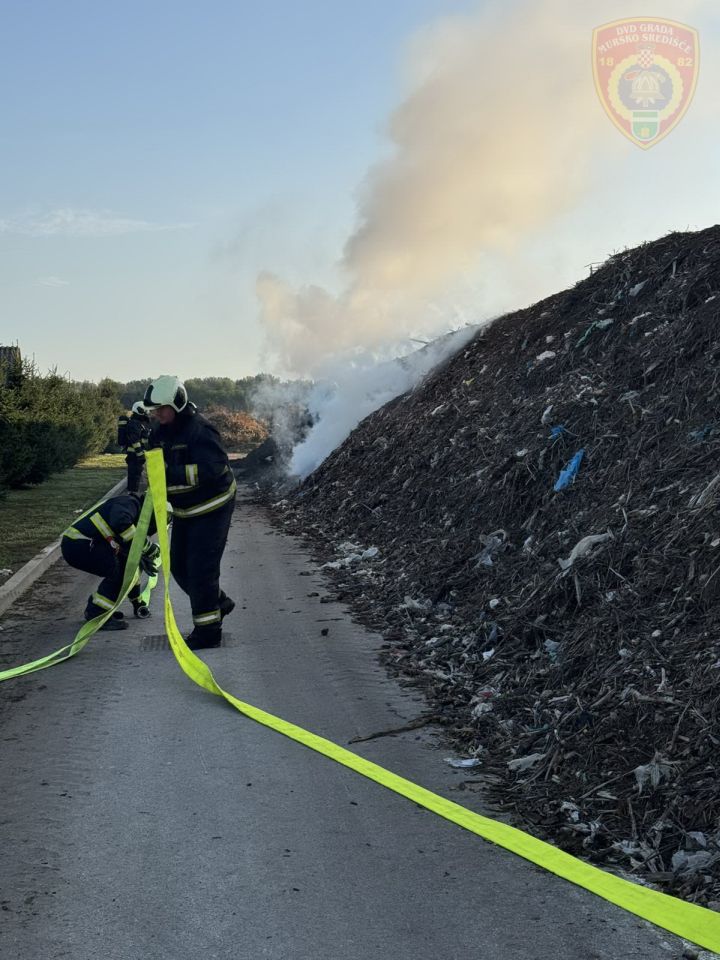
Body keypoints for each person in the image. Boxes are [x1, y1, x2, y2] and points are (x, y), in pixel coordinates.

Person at [142, 375, 236, 650]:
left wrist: (168, 474)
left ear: (177, 403)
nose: (157, 414)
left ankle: (208, 633)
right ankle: (217, 602)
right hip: (185, 510)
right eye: (154, 409)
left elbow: (213, 469)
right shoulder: (159, 432)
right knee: (180, 567)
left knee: (201, 569)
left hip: (212, 507)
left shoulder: (201, 431)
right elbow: (155, 464)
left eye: (161, 408)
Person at [61, 492, 161, 630]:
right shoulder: (129, 504)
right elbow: (121, 522)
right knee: (116, 572)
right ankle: (97, 612)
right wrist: (147, 547)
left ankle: (98, 610)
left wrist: (137, 602)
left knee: (121, 570)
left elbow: (129, 572)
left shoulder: (131, 511)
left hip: (83, 545)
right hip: (80, 544)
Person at [117, 401, 152, 494]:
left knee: (136, 476)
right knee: (134, 477)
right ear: (140, 410)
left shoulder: (138, 423)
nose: (147, 413)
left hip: (136, 455)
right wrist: (140, 455)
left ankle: (134, 495)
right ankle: (132, 497)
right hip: (135, 456)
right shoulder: (134, 424)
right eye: (145, 410)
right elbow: (135, 441)